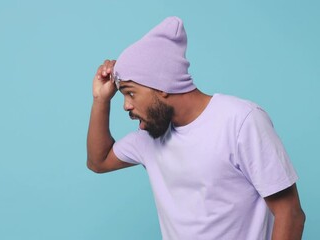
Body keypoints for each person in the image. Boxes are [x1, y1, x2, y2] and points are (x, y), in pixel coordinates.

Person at [86, 16, 305, 240]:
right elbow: (98, 161)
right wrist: (100, 99)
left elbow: (290, 214)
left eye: (130, 93)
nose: (126, 106)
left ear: (161, 85)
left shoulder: (240, 121)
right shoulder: (150, 136)